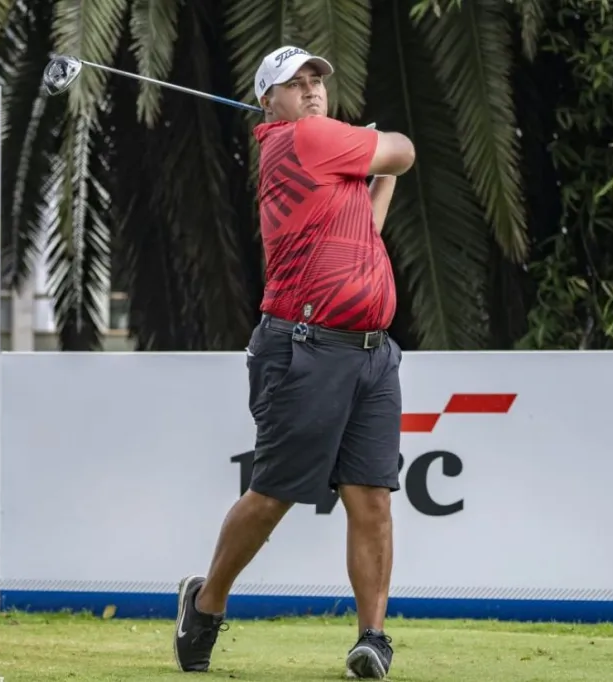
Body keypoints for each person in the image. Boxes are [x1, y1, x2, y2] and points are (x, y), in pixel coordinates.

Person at [173, 45, 416, 679]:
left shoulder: (325, 158)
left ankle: (372, 638)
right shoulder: (301, 140)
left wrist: (374, 163)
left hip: (371, 354)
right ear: (268, 102)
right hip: (306, 347)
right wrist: (378, 143)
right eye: (294, 83)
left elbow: (367, 224)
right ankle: (205, 603)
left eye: (316, 81)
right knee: (274, 494)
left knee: (373, 498)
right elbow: (407, 148)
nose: (310, 91)